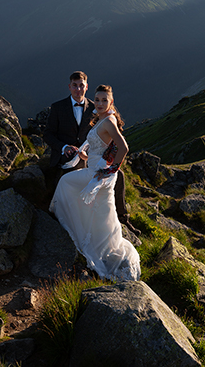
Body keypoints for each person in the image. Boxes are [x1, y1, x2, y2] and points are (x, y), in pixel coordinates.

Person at [49, 85, 141, 281]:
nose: (99, 103)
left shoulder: (108, 121)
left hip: (99, 174)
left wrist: (110, 170)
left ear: (111, 102)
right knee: (101, 210)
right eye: (97, 100)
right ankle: (101, 242)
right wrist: (86, 154)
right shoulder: (105, 119)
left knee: (66, 182)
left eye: (103, 100)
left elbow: (123, 147)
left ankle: (74, 227)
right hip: (97, 171)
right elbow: (105, 146)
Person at [44, 71, 140, 236]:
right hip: (66, 156)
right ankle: (68, 220)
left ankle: (122, 217)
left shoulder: (96, 108)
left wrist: (108, 165)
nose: (78, 89)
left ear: (86, 87)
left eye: (81, 85)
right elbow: (48, 135)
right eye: (75, 85)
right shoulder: (58, 107)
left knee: (120, 176)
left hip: (90, 159)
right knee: (66, 182)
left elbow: (110, 141)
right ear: (69, 87)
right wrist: (64, 147)